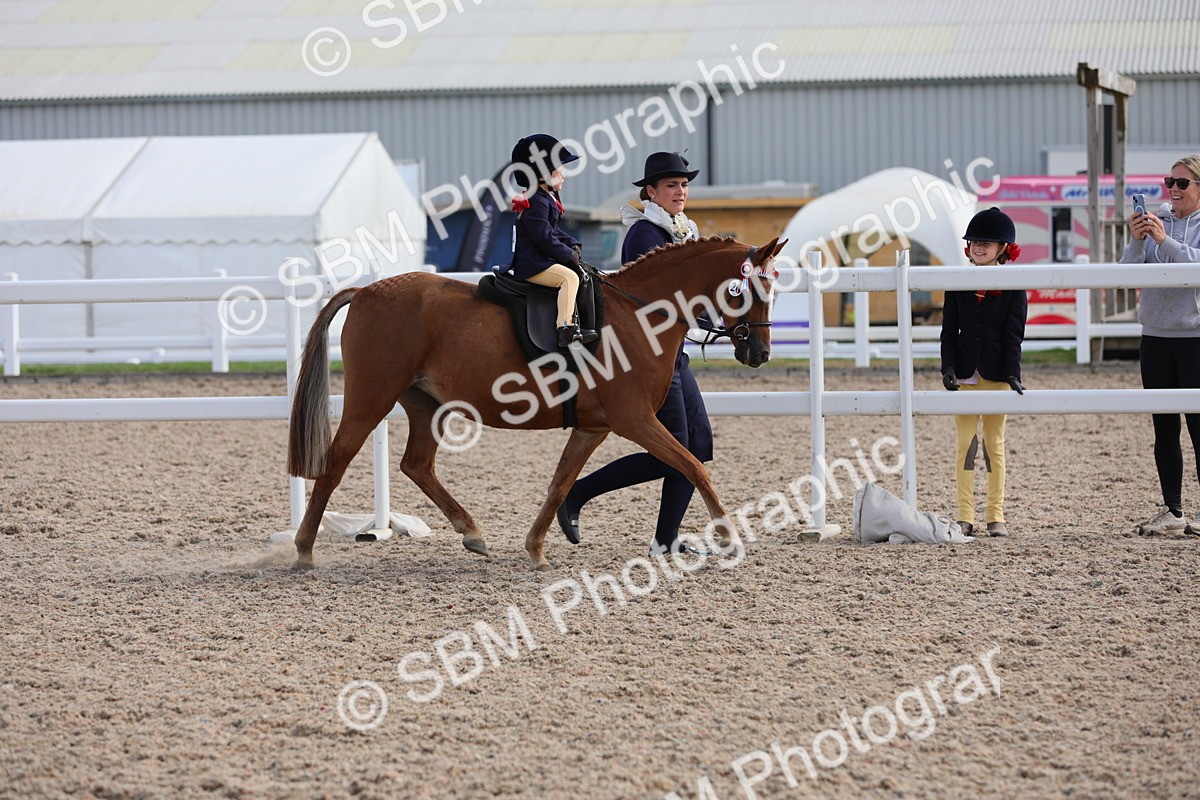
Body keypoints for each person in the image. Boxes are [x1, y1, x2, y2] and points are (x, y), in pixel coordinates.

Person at [556, 152, 713, 555]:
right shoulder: (645, 234)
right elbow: (646, 298)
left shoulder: (683, 231)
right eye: (671, 186)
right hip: (649, 357)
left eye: (683, 185)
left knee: (699, 445)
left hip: (673, 352)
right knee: (676, 448)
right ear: (651, 192)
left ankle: (664, 538)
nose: (680, 192)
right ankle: (578, 494)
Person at [1120, 155, 1200, 536]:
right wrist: (1137, 241)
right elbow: (1126, 270)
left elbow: (1195, 265)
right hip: (1155, 336)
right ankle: (1173, 509)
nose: (1173, 189)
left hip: (1195, 337)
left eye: (1182, 183)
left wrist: (1163, 240)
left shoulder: (1170, 230)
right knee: (1163, 429)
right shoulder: (1156, 223)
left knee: (1199, 427)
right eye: (1170, 182)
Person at [940, 206, 1028, 537]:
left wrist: (1013, 372)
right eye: (975, 241)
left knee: (994, 444)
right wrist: (947, 366)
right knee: (965, 444)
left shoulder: (1014, 284)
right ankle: (965, 514)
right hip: (963, 374)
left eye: (986, 242)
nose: (979, 247)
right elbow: (948, 331)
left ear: (1003, 248)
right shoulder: (957, 281)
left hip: (996, 374)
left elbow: (1013, 334)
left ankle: (996, 514)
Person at [508, 133, 596, 348]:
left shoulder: (546, 197)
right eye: (560, 168)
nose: (564, 174)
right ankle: (565, 328)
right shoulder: (535, 201)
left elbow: (553, 231)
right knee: (569, 278)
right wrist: (567, 255)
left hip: (541, 258)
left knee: (583, 274)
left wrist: (572, 243)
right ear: (541, 174)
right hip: (532, 263)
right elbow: (544, 237)